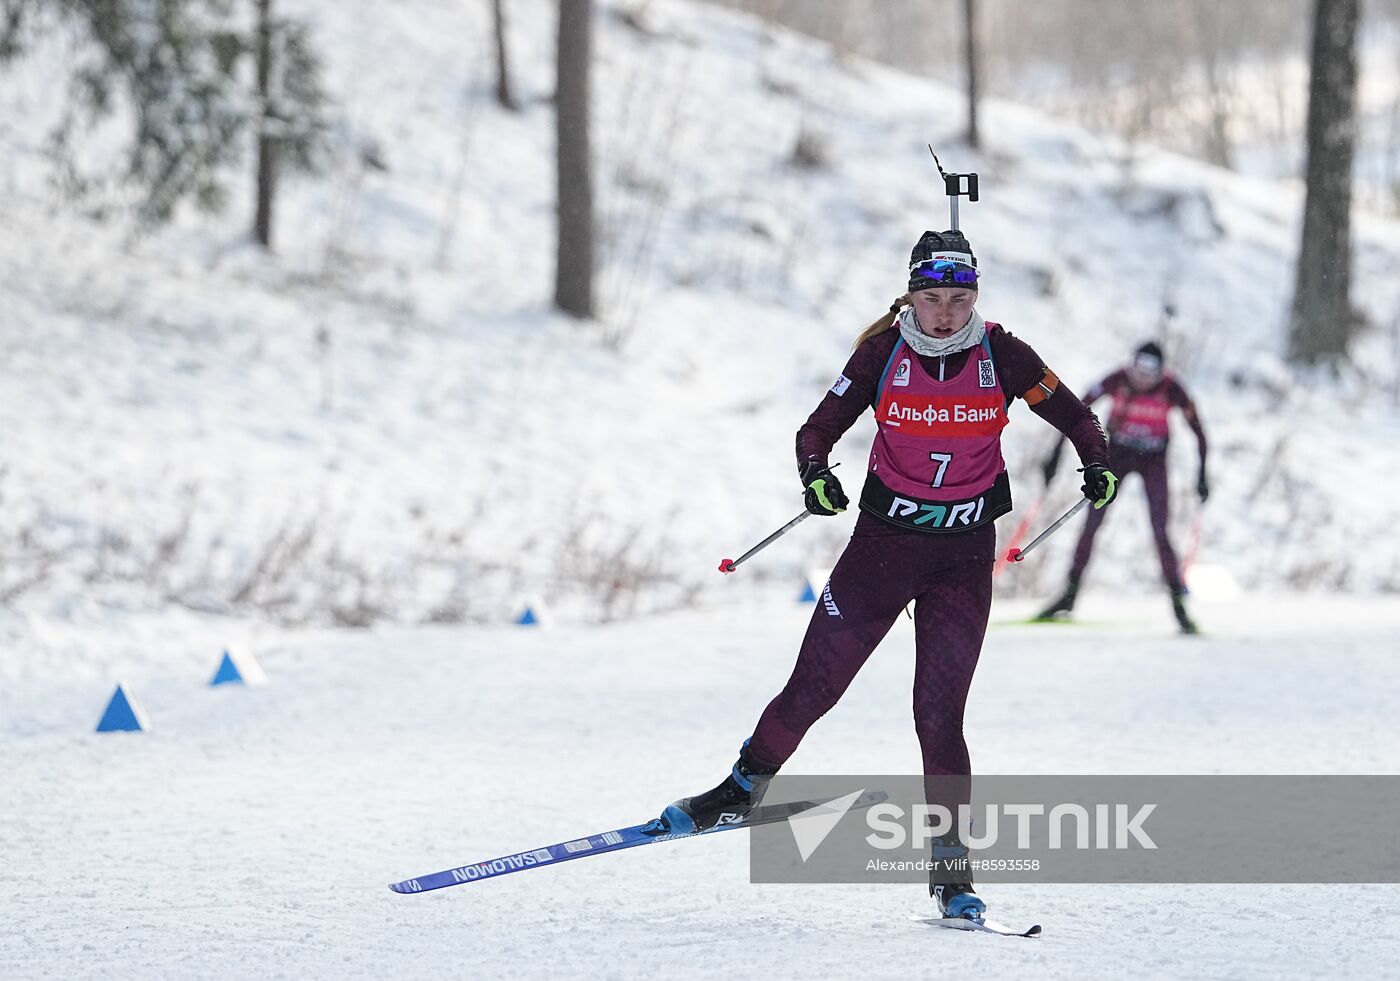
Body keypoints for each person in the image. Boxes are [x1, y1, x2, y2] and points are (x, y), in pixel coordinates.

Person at [645, 230, 1114, 921]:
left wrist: (1096, 463)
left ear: (974, 297)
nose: (947, 313)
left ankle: (952, 871)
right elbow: (816, 429)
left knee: (939, 715)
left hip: (960, 556)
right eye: (933, 299)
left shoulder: (1004, 354)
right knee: (812, 689)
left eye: (960, 299)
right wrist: (815, 477)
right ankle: (742, 787)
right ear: (912, 296)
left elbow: (1076, 415)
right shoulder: (882, 352)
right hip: (882, 548)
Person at [1035, 342, 1209, 633]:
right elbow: (1075, 412)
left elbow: (1199, 431)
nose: (1142, 377)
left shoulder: (1171, 388)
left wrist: (1202, 475)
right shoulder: (1117, 380)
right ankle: (1069, 594)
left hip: (1153, 459)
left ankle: (1178, 605)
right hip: (1118, 456)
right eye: (1137, 369)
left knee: (1160, 529)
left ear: (1161, 372)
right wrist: (1054, 455)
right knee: (1092, 523)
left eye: (1150, 372)